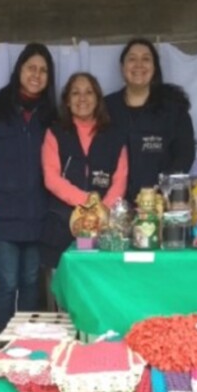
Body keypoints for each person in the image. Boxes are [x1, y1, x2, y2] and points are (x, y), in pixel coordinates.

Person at [0, 44, 57, 332]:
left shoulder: (53, 114)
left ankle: (26, 341)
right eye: (31, 68)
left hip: (38, 212)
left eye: (43, 71)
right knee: (8, 281)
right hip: (0, 213)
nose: (36, 75)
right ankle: (5, 343)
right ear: (19, 69)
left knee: (31, 280)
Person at [41, 72, 128, 268]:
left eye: (89, 92)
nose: (82, 98)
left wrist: (101, 212)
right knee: (63, 284)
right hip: (62, 226)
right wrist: (88, 202)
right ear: (67, 101)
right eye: (75, 93)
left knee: (98, 281)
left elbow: (120, 179)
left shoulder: (115, 135)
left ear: (97, 99)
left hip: (104, 226)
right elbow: (51, 178)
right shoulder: (55, 133)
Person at [104, 38, 195, 202]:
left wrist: (160, 196)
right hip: (113, 206)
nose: (139, 65)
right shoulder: (105, 108)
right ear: (122, 67)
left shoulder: (173, 109)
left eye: (146, 59)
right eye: (132, 59)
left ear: (155, 67)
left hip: (160, 205)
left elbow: (184, 156)